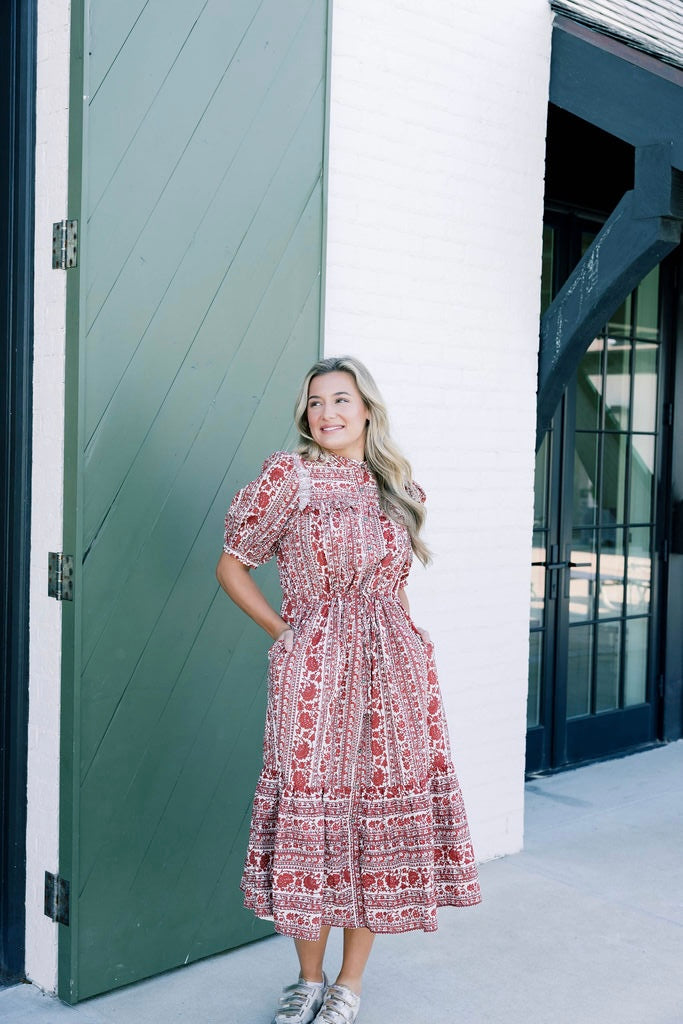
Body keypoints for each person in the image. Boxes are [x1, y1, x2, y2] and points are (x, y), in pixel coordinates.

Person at [216, 356, 481, 1024]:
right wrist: (287, 633)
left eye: (340, 399)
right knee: (312, 814)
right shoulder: (288, 477)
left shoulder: (399, 487)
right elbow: (231, 564)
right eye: (314, 403)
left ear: (367, 408)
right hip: (313, 671)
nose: (327, 413)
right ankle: (307, 980)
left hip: (395, 672)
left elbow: (391, 588)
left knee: (374, 822)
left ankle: (349, 985)